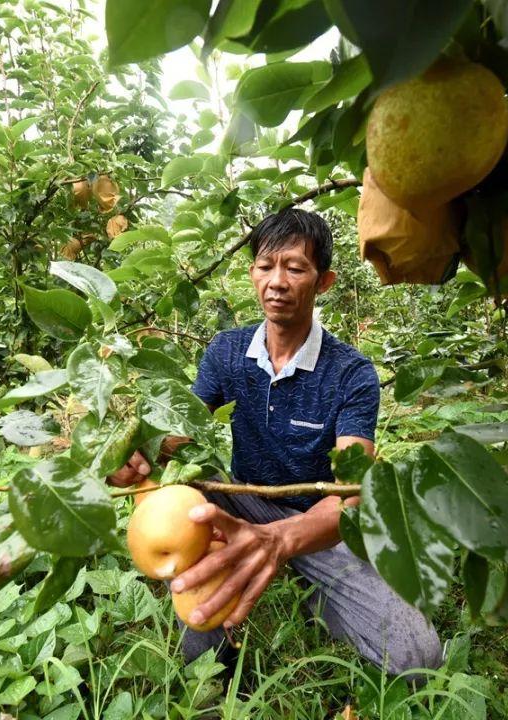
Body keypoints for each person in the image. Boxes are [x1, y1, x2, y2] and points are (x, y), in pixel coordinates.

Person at [108, 208, 442, 675]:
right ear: (253, 274)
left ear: (323, 282)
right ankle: (209, 645)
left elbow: (348, 495)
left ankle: (308, 583)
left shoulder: (352, 374)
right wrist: (129, 453)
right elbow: (179, 433)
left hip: (317, 522)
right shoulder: (226, 351)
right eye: (266, 266)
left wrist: (279, 540)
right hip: (243, 499)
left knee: (417, 655)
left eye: (295, 267)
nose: (277, 281)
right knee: (193, 497)